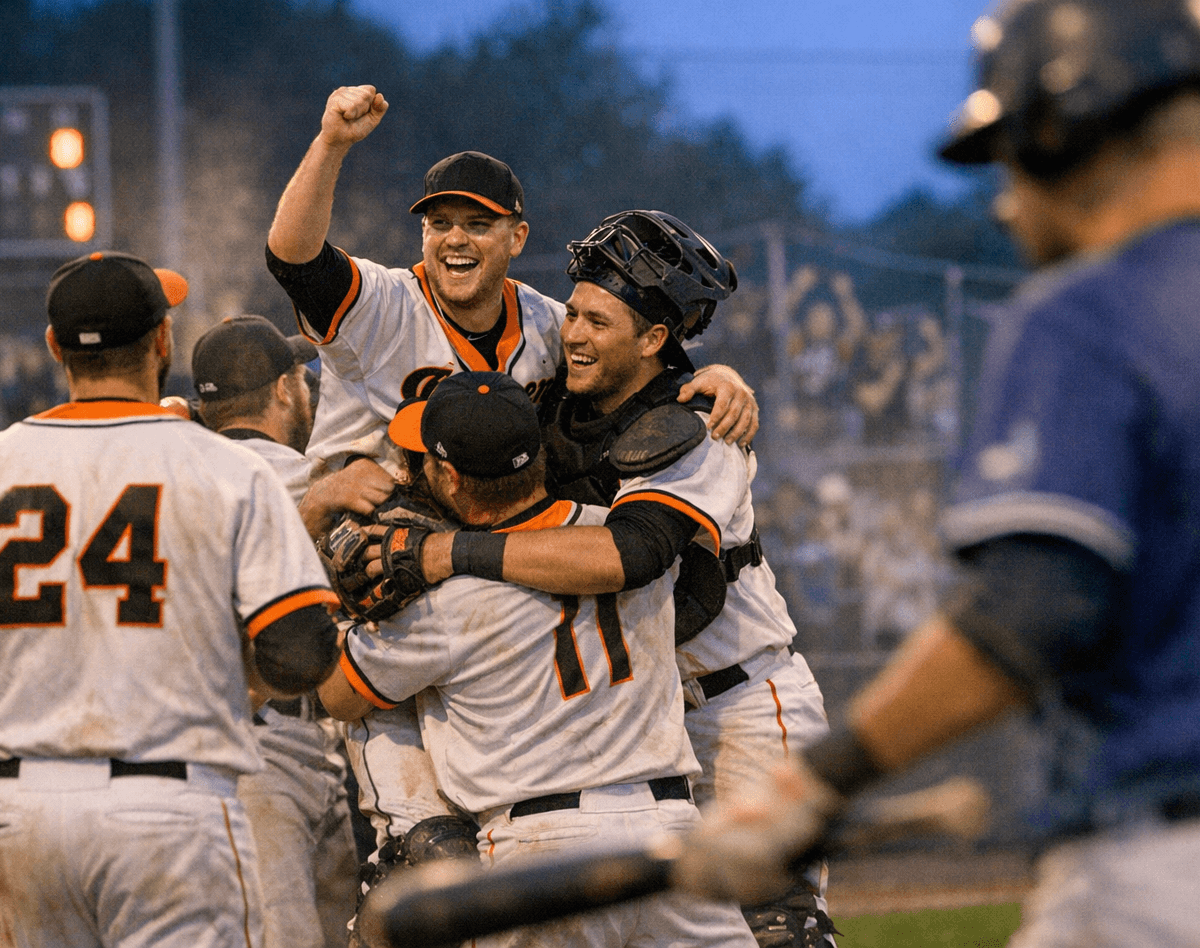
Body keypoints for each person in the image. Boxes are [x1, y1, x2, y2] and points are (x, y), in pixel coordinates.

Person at [673, 0, 1200, 948]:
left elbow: (1033, 608)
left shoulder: (1090, 309)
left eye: (1010, 152)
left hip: (1185, 870)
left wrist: (810, 785)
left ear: (1064, 125)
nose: (1005, 197)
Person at [265, 85, 762, 893]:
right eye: (439, 223)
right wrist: (330, 145)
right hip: (373, 537)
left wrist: (711, 376)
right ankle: (411, 838)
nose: (455, 238)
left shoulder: (547, 323)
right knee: (428, 831)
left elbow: (629, 371)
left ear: (516, 236)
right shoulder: (388, 303)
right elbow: (294, 260)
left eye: (478, 222)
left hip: (474, 556)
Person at [0, 251, 342, 947]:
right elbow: (302, 650)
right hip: (170, 807)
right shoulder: (230, 472)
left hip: (24, 813)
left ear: (54, 347)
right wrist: (237, 685)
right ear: (163, 341)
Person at [396, 210, 834, 946]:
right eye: (573, 312)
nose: (572, 332)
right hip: (645, 726)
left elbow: (632, 557)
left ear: (655, 338)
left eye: (598, 321)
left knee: (777, 925)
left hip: (739, 703)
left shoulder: (700, 427)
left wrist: (452, 554)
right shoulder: (557, 404)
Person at [321, 370, 758, 948]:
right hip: (668, 836)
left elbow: (339, 696)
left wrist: (338, 609)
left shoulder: (444, 599)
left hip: (538, 856)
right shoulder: (618, 535)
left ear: (451, 477)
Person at [190, 313, 359, 948]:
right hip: (267, 749)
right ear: (286, 390)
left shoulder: (169, 475)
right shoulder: (306, 477)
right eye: (302, 379)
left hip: (229, 741)